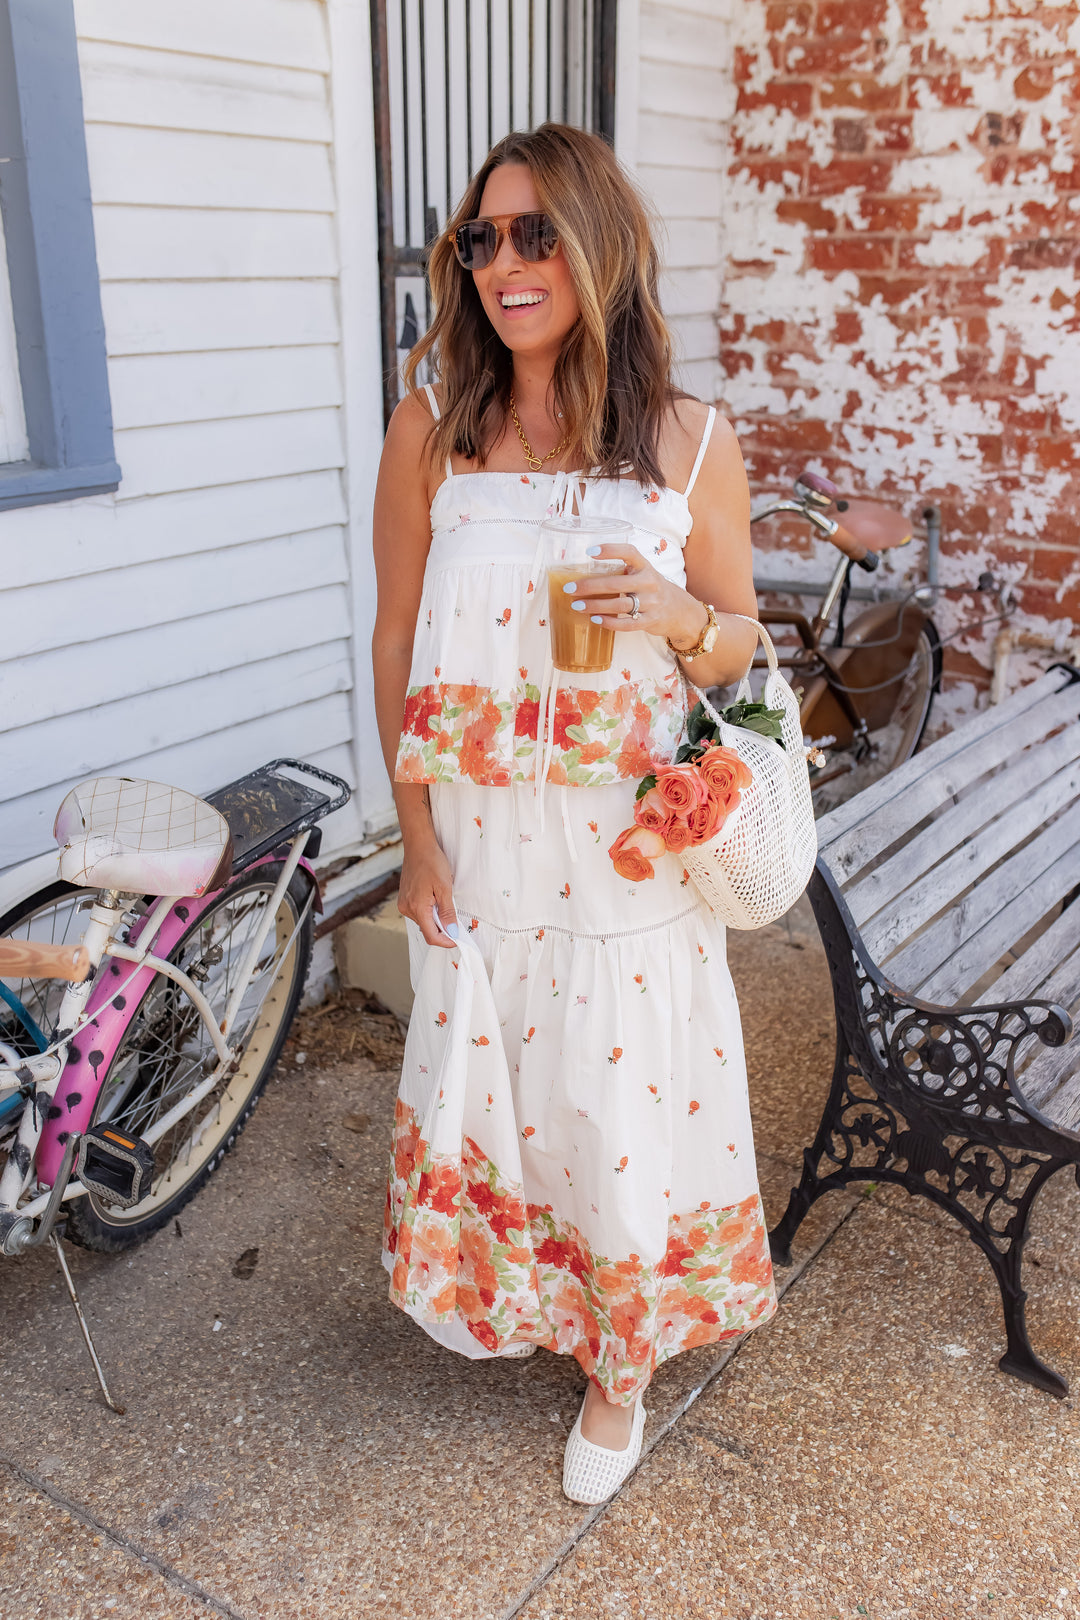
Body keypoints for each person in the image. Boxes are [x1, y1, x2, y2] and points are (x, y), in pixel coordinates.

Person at [372, 123, 777, 1505]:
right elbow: (394, 639)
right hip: (485, 845)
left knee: (615, 1097)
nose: (503, 263)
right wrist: (415, 836)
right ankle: (542, 1300)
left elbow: (742, 648)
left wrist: (677, 615)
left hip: (626, 851)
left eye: (536, 232)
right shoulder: (433, 427)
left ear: (599, 245)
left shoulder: (689, 438)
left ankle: (622, 1366)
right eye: (482, 238)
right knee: (512, 1097)